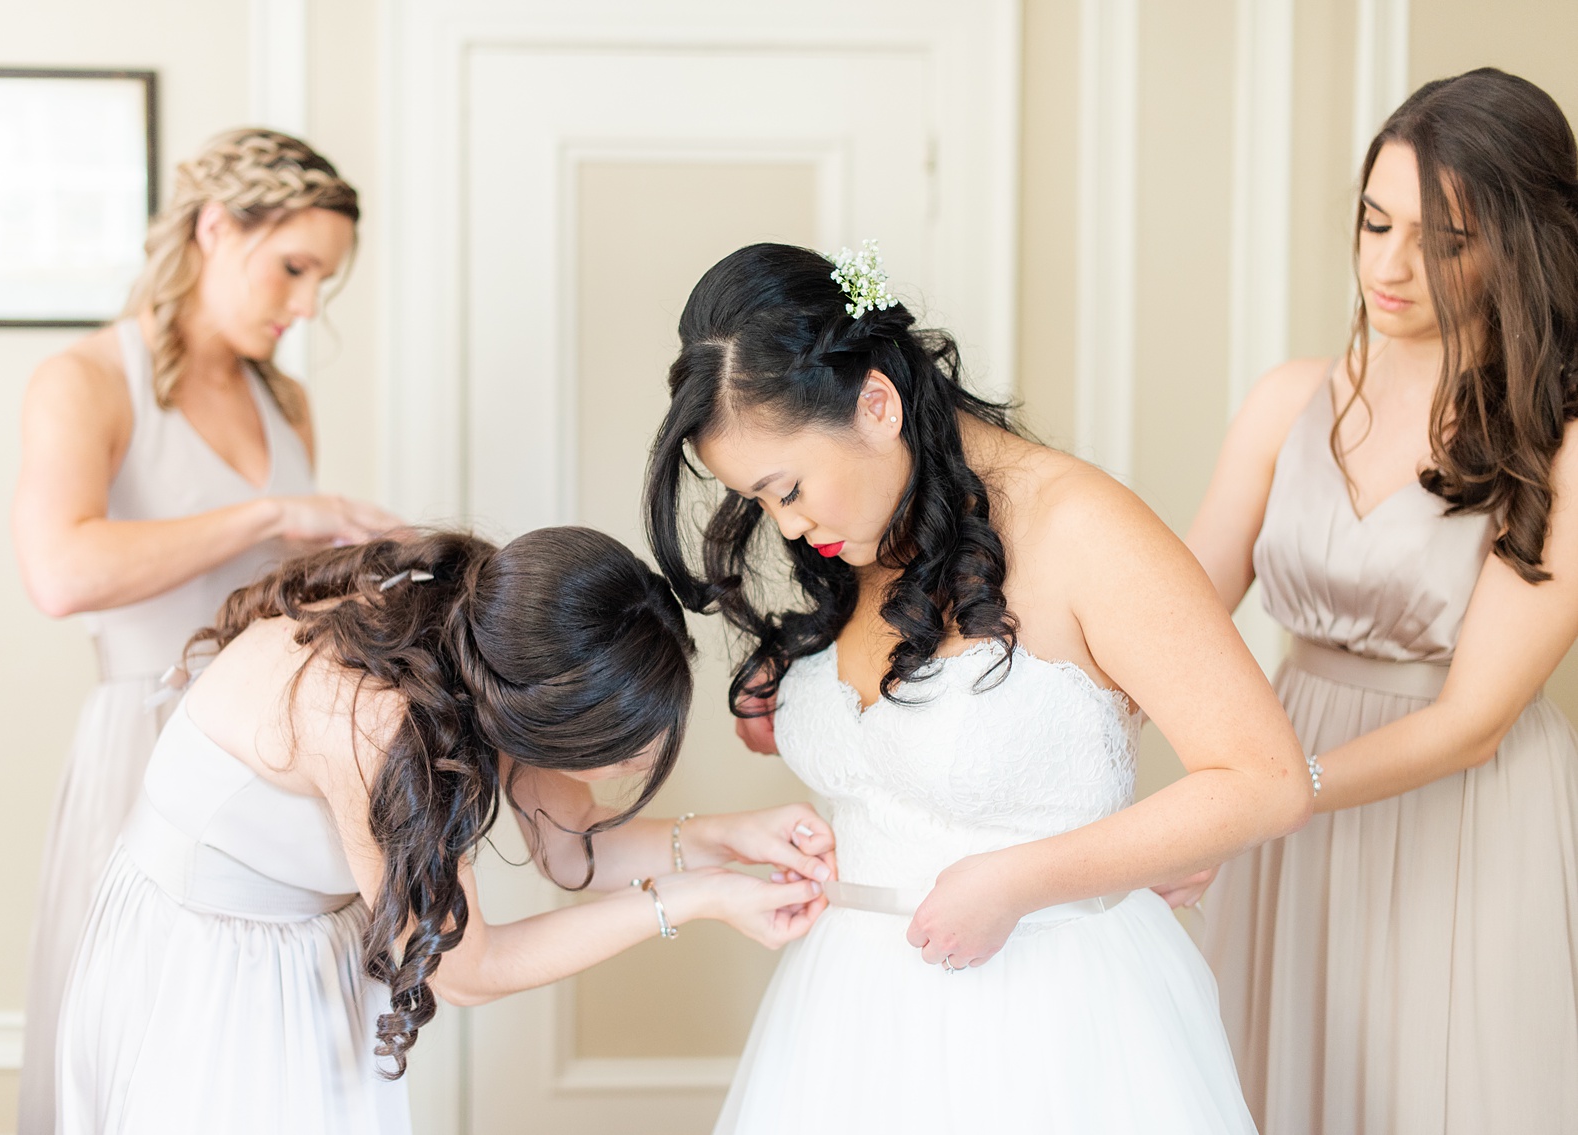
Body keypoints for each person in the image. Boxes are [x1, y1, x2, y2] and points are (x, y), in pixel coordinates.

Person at [643, 241, 1311, 1133]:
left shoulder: (1085, 529)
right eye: (762, 503)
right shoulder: (874, 529)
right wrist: (803, 689)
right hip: (848, 1026)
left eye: (789, 489)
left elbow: (1265, 779)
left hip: (1052, 1024)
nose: (790, 527)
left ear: (876, 403)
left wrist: (1019, 881)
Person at [55, 526, 836, 1133]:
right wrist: (697, 898)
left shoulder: (509, 651)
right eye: (626, 747)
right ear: (555, 725)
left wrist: (733, 837)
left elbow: (571, 850)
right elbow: (465, 971)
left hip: (309, 936)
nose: (640, 763)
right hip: (212, 956)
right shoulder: (380, 726)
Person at [1174, 68, 1578, 1134]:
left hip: (1454, 816)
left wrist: (1260, 793)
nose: (1388, 267)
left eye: (1443, 241)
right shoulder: (1285, 399)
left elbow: (1470, 720)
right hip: (1284, 794)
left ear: (1519, 247)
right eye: (1372, 221)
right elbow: (1167, 617)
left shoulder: (1557, 446)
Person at [10, 127, 400, 1130]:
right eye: (294, 268)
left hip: (271, 759)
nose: (308, 304)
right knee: (138, 1040)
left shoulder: (287, 402)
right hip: (142, 746)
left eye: (324, 281)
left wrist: (365, 564)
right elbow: (60, 572)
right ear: (216, 228)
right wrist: (272, 515)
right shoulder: (86, 380)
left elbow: (279, 604)